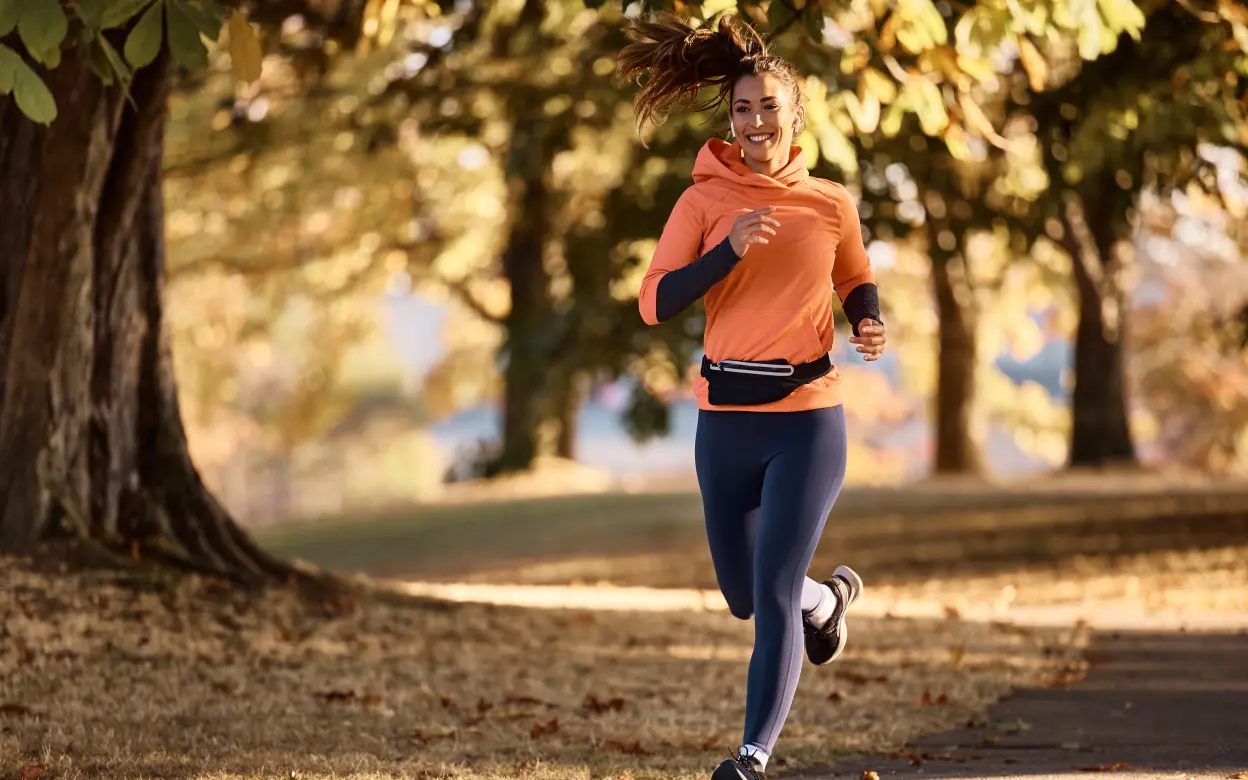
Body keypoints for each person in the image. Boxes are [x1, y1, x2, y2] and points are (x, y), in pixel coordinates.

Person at [617, 13, 888, 780]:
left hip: (807, 423)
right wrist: (726, 252)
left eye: (770, 106)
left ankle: (751, 756)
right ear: (730, 120)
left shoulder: (830, 202)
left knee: (769, 596)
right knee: (742, 593)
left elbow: (854, 275)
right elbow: (654, 301)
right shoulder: (700, 203)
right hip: (723, 422)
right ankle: (825, 605)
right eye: (744, 108)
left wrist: (866, 318)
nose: (757, 120)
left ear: (795, 115)